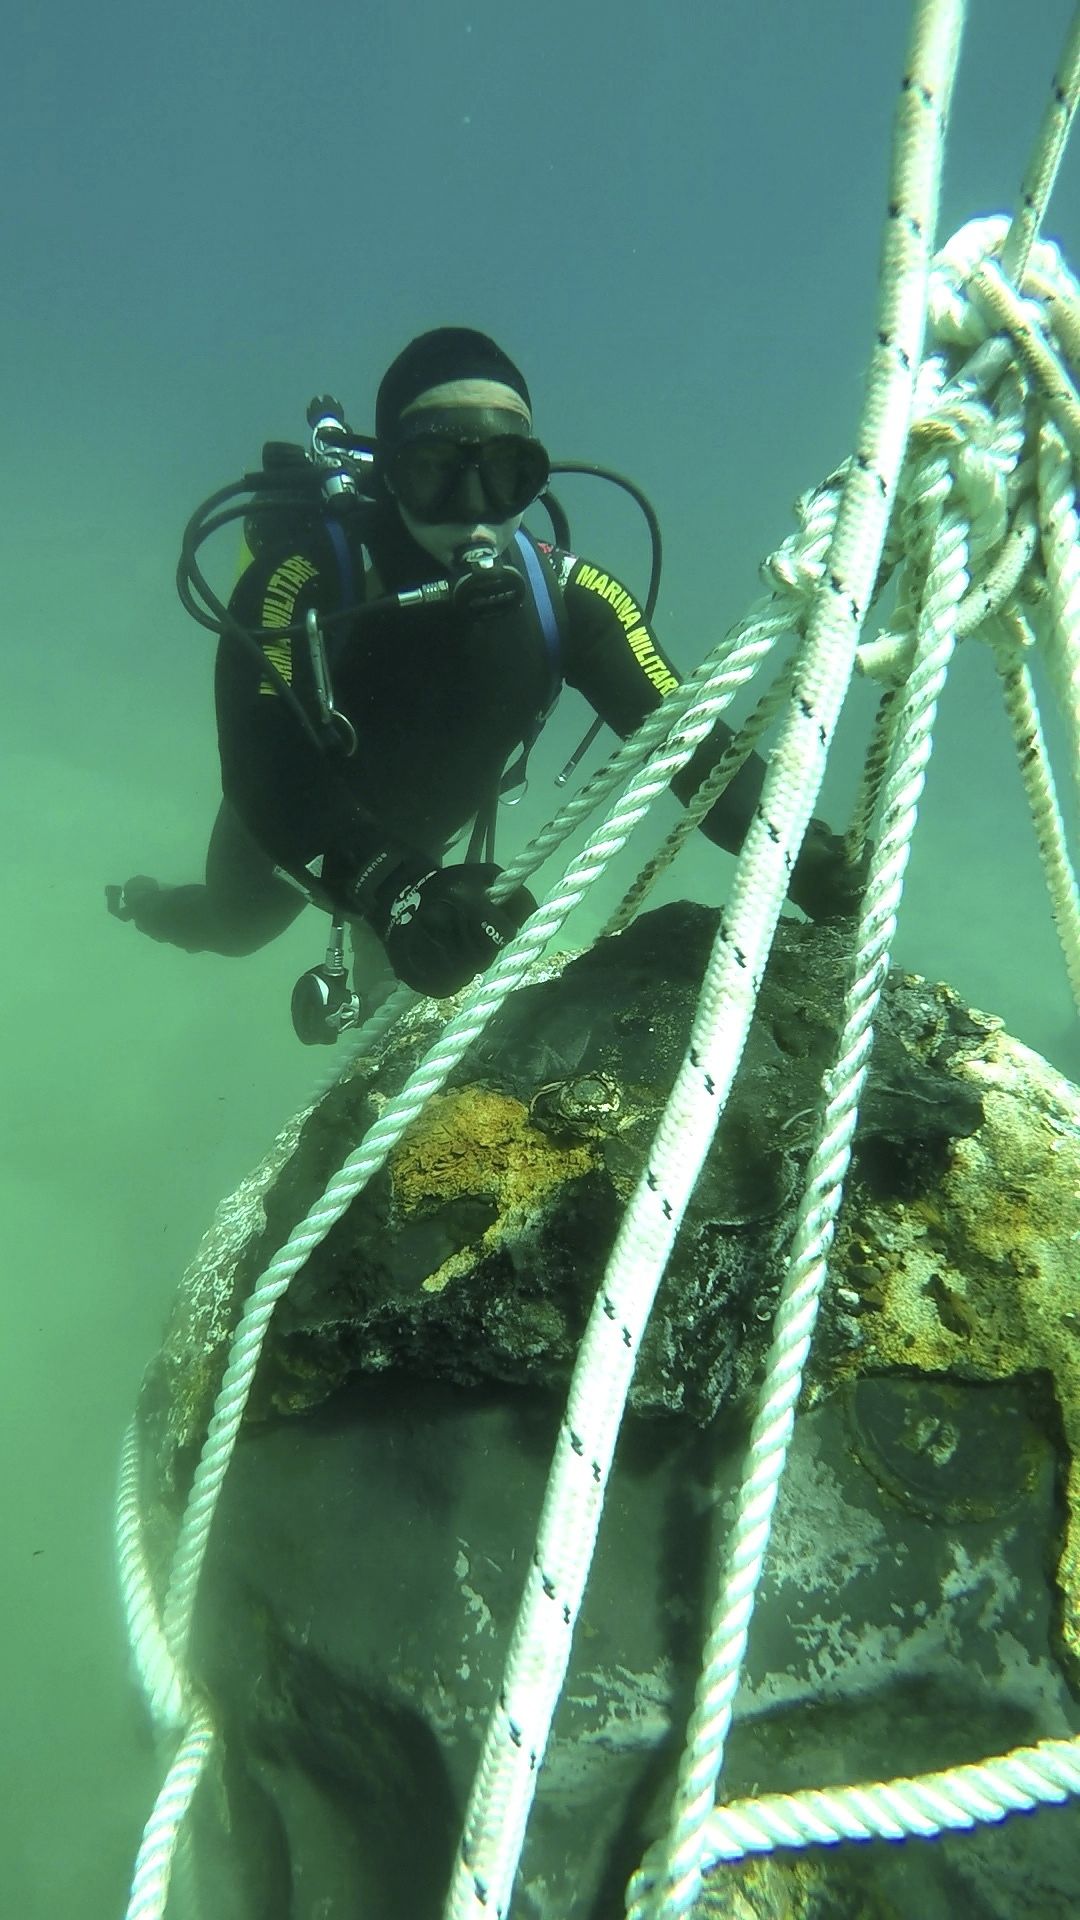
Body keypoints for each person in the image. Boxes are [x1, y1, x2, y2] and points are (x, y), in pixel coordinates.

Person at [109, 327, 860, 1021]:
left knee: (404, 996)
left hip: (424, 845)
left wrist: (807, 858)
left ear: (533, 476)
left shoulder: (571, 599)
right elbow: (261, 766)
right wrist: (393, 887)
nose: (473, 510)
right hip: (299, 822)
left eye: (504, 472)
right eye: (435, 470)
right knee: (235, 927)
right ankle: (140, 903)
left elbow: (690, 743)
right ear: (393, 473)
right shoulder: (300, 581)